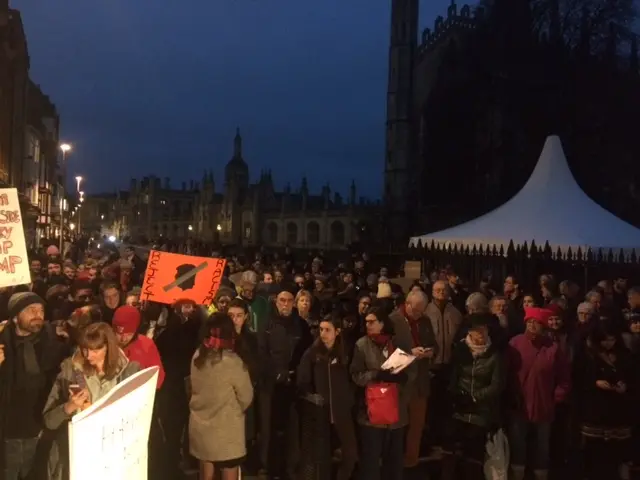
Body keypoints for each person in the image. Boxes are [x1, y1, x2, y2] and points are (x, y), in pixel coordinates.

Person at [42, 322, 141, 480]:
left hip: (111, 460)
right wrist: (69, 407)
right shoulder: (70, 372)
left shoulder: (129, 372)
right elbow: (48, 421)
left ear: (109, 347)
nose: (89, 355)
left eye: (96, 350)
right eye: (85, 349)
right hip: (74, 458)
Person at [0, 292, 65, 480]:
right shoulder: (3, 345)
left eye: (41, 310)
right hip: (8, 431)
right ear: (14, 317)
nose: (38, 315)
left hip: (41, 428)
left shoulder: (53, 343)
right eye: (31, 310)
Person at [189, 313, 253, 480]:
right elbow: (246, 396)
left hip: (200, 427)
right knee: (229, 468)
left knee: (206, 469)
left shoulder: (197, 356)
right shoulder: (232, 361)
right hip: (227, 430)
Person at [441, 314, 505, 479]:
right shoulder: (461, 350)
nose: (481, 334)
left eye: (483, 330)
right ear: (469, 332)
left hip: (480, 411)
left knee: (474, 454)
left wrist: (474, 397)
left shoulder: (494, 355)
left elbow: (496, 385)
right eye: (477, 331)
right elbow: (453, 377)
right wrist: (456, 397)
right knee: (453, 451)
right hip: (460, 409)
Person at [296, 314, 358, 480]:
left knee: (350, 453)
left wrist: (348, 399)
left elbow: (353, 378)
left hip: (341, 411)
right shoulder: (312, 353)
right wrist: (312, 396)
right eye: (321, 329)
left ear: (337, 331)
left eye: (327, 330)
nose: (323, 333)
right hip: (320, 414)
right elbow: (302, 381)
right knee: (320, 459)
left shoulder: (346, 351)